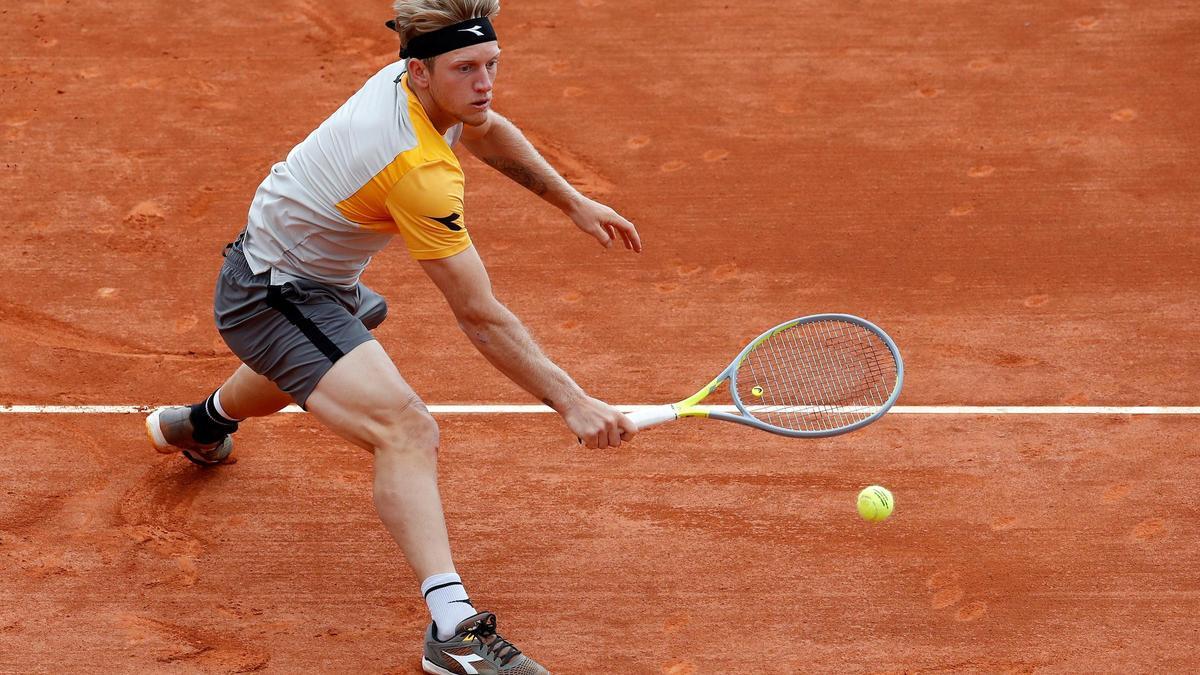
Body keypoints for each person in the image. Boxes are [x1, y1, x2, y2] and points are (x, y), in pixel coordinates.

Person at [144, 1, 641, 672]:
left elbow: (486, 127)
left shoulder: (414, 84)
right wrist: (572, 400)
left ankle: (203, 423)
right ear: (421, 71)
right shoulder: (415, 167)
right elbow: (480, 316)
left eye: (492, 64)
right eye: (467, 69)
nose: (484, 83)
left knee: (335, 340)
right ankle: (453, 629)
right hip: (270, 295)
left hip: (310, 278)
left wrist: (573, 200)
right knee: (406, 428)